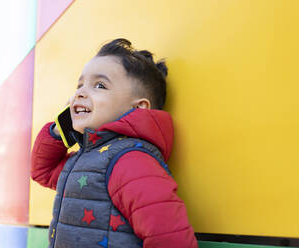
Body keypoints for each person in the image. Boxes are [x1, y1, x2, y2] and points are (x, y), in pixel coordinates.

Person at [31, 38, 198, 248]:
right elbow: (42, 171)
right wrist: (59, 129)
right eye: (80, 85)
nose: (80, 93)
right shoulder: (87, 157)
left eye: (99, 85)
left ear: (138, 108)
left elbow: (171, 239)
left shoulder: (131, 161)